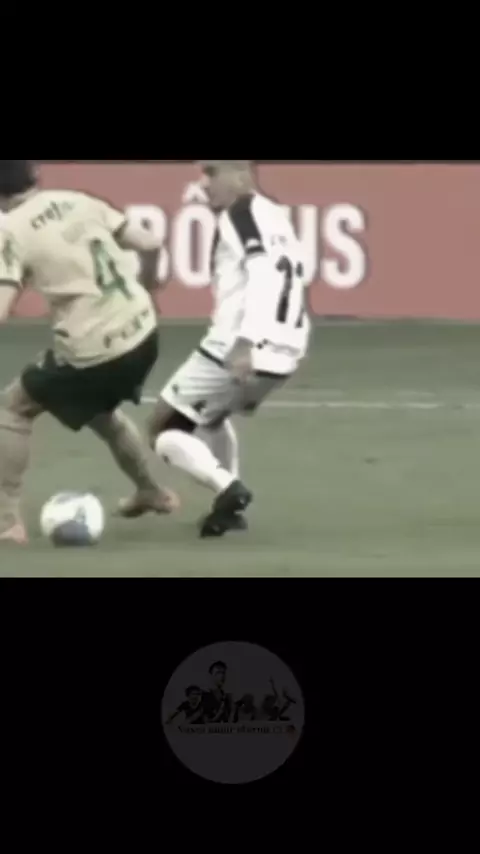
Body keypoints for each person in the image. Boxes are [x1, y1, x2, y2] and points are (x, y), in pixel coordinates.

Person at [127, 160, 311, 537]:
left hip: (237, 344)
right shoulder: (274, 215)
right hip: (286, 348)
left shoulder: (240, 214)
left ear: (242, 175)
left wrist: (247, 341)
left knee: (163, 427)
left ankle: (228, 489)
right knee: (210, 417)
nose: (204, 182)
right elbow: (291, 276)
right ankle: (229, 508)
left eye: (212, 172)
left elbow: (264, 273)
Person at [0, 160, 178, 545]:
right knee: (100, 411)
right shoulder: (77, 200)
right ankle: (151, 491)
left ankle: (7, 522)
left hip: (96, 351)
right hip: (144, 332)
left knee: (13, 408)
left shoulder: (10, 230)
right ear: (34, 175)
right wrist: (148, 285)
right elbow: (150, 243)